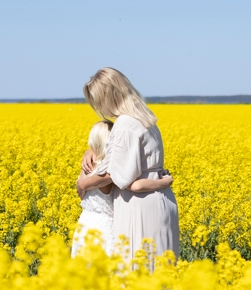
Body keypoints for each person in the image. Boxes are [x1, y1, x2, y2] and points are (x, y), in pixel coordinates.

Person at [76, 68, 180, 267]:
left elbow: (115, 174)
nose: (98, 107)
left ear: (109, 96)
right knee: (160, 270)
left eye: (98, 101)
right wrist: (92, 150)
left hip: (139, 204)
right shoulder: (146, 118)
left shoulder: (125, 124)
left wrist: (83, 184)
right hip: (160, 198)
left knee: (138, 271)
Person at [71, 120, 173, 258]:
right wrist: (164, 182)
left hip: (85, 224)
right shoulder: (110, 171)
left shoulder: (86, 166)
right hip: (103, 228)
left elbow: (81, 192)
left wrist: (88, 151)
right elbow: (135, 185)